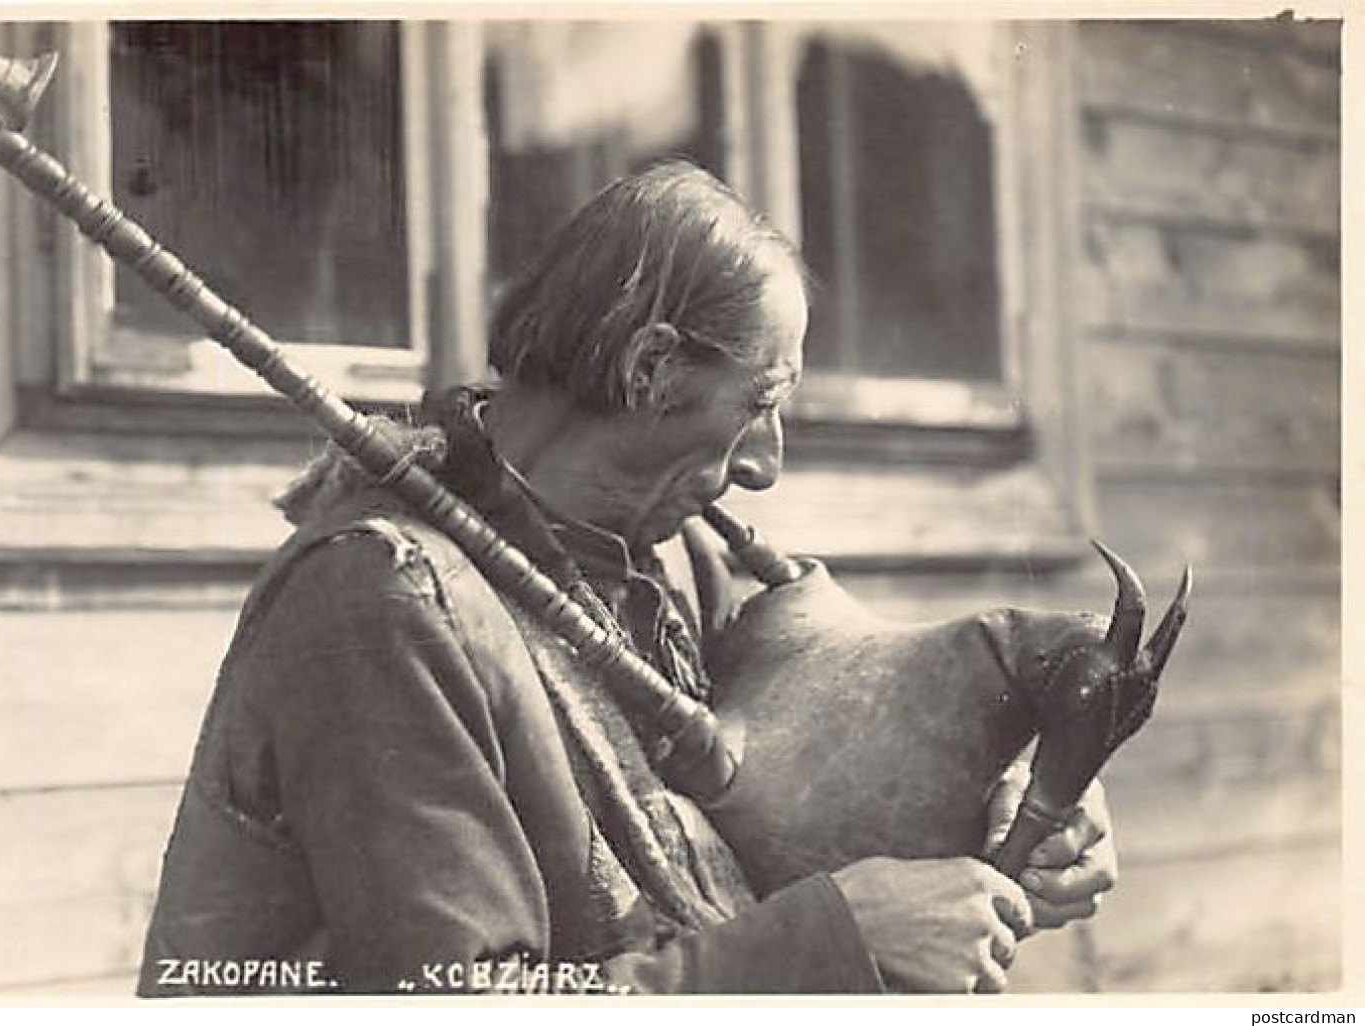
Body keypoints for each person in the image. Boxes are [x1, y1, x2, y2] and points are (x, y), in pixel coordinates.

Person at [136, 160, 1117, 996]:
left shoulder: (671, 564)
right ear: (649, 369)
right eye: (759, 403)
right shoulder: (385, 602)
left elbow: (809, 788)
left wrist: (1016, 799)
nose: (764, 465)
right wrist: (830, 945)